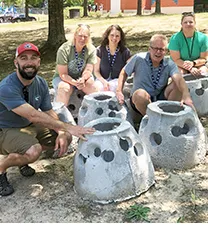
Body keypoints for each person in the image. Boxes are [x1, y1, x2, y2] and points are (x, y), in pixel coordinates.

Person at [0, 42, 95, 197]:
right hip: (5, 130)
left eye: (33, 58)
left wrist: (63, 131)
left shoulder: (40, 83)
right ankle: (2, 167)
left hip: (27, 126)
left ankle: (22, 159)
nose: (29, 62)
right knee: (33, 151)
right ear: (16, 62)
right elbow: (33, 115)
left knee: (65, 137)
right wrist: (68, 126)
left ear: (39, 62)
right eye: (23, 58)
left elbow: (48, 111)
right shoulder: (6, 87)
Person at [116, 34, 195, 118]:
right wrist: (119, 90)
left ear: (165, 51)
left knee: (177, 86)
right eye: (155, 48)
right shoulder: (138, 58)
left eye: (161, 49)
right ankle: (153, 119)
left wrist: (186, 95)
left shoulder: (169, 63)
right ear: (149, 49)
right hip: (141, 100)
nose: (158, 52)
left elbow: (178, 79)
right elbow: (124, 72)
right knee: (140, 94)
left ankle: (170, 115)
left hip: (160, 97)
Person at [52, 24, 98, 107]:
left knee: (92, 86)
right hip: (64, 78)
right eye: (80, 36)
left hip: (82, 78)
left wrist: (83, 79)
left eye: (85, 36)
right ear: (75, 36)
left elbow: (88, 70)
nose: (82, 39)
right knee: (64, 88)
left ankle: (95, 111)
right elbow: (63, 74)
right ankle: (59, 115)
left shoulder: (91, 49)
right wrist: (74, 83)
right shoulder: (64, 49)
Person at [168, 12, 208, 77]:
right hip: (179, 64)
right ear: (181, 24)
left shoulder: (203, 38)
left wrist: (193, 63)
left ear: (195, 23)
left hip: (197, 64)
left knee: (203, 72)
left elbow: (203, 59)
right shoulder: (175, 38)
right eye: (185, 22)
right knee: (179, 74)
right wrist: (190, 68)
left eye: (191, 22)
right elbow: (176, 60)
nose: (188, 24)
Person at [94, 25, 131, 92]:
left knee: (112, 88)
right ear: (107, 36)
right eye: (112, 35)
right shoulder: (100, 50)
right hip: (101, 80)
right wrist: (104, 82)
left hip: (118, 81)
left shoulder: (125, 52)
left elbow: (130, 69)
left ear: (120, 38)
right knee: (97, 89)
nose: (114, 38)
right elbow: (96, 71)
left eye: (117, 36)